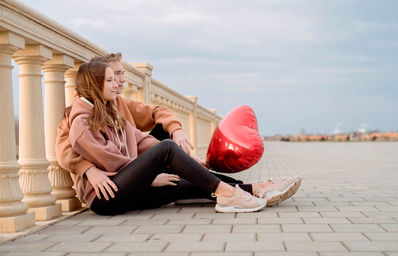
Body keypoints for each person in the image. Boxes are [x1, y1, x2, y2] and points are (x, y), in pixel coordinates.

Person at [56, 53, 301, 214]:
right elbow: (104, 157)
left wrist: (188, 161)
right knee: (167, 149)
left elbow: (143, 140)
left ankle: (251, 189)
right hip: (105, 196)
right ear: (95, 84)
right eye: (112, 78)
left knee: (183, 184)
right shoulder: (79, 119)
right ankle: (229, 194)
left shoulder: (113, 112)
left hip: (127, 189)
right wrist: (147, 174)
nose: (118, 83)